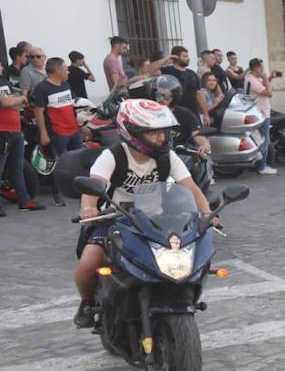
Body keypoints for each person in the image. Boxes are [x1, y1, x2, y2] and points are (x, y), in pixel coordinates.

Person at [73, 99, 214, 328]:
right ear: (133, 133)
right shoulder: (113, 156)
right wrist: (88, 208)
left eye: (164, 132)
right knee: (88, 263)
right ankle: (87, 302)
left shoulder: (168, 157)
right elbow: (94, 185)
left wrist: (207, 214)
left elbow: (191, 188)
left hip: (156, 219)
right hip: (114, 218)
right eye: (153, 133)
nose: (161, 138)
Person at [31, 57, 84, 158]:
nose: (68, 72)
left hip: (74, 131)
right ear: (58, 71)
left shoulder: (66, 84)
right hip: (57, 134)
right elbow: (38, 112)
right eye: (66, 69)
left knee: (80, 159)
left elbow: (73, 105)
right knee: (60, 162)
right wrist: (43, 133)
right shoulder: (42, 88)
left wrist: (81, 125)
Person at [148, 75, 212, 158]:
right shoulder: (149, 113)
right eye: (158, 95)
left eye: (166, 96)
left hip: (179, 155)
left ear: (174, 97)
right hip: (154, 155)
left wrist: (204, 145)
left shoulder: (186, 114)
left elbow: (197, 134)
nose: (161, 99)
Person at [0, 70, 35, 212]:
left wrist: (14, 101)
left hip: (15, 129)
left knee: (17, 167)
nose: (2, 66)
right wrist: (19, 99)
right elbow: (4, 102)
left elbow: (13, 103)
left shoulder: (4, 82)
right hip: (2, 131)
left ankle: (24, 200)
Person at [244, 59, 277, 175]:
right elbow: (269, 93)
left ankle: (261, 164)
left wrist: (269, 78)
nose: (263, 70)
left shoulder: (250, 77)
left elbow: (262, 85)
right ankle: (262, 166)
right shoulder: (252, 80)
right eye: (261, 67)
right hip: (261, 113)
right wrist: (266, 80)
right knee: (264, 141)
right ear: (257, 68)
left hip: (259, 112)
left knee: (260, 140)